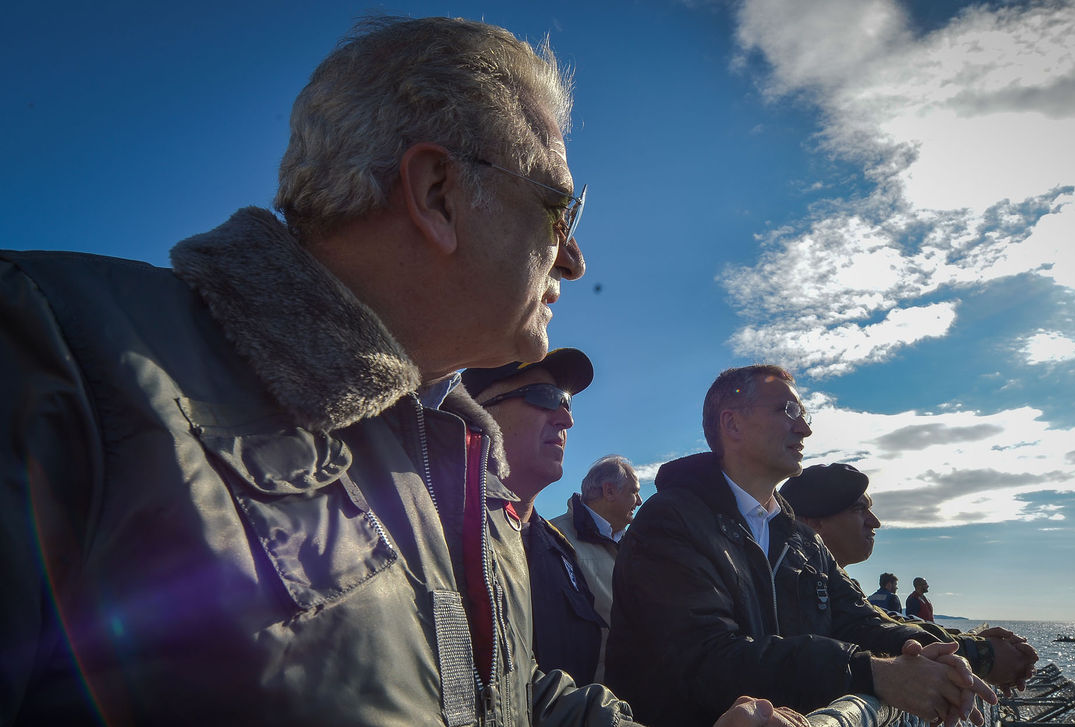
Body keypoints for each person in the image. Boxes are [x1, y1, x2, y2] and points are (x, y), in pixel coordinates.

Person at [1, 17, 798, 727]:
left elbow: (501, 696)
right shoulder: (47, 343)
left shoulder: (468, 473)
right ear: (438, 193)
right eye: (560, 209)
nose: (577, 257)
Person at [606, 365, 996, 727]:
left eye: (804, 414)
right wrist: (869, 673)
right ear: (733, 423)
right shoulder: (669, 522)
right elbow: (705, 659)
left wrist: (945, 658)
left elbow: (860, 621)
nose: (804, 430)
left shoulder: (801, 539)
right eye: (788, 410)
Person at [780, 463, 1037, 694]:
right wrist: (983, 655)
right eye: (859, 509)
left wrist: (974, 645)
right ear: (812, 523)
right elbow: (871, 633)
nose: (875, 522)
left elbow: (889, 622)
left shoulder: (832, 583)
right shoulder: (792, 583)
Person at [462, 348, 608, 686]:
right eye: (545, 397)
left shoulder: (563, 554)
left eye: (566, 402)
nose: (566, 419)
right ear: (479, 413)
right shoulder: (437, 536)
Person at [550, 454, 642, 629]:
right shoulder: (555, 536)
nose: (639, 501)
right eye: (634, 492)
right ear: (609, 491)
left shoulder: (635, 545)